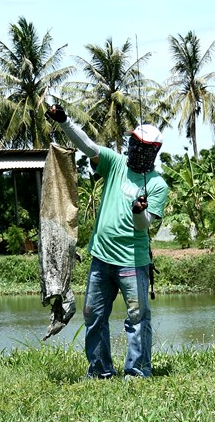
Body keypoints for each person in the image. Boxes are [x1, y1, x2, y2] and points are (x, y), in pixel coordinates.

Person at [46, 104, 169, 378]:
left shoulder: (158, 184)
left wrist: (139, 211)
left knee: (137, 318)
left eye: (143, 146)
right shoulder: (115, 164)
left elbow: (145, 224)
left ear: (154, 151)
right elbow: (88, 145)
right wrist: (64, 120)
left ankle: (137, 372)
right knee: (93, 315)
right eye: (133, 143)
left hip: (133, 262)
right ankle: (100, 372)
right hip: (101, 259)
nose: (136, 149)